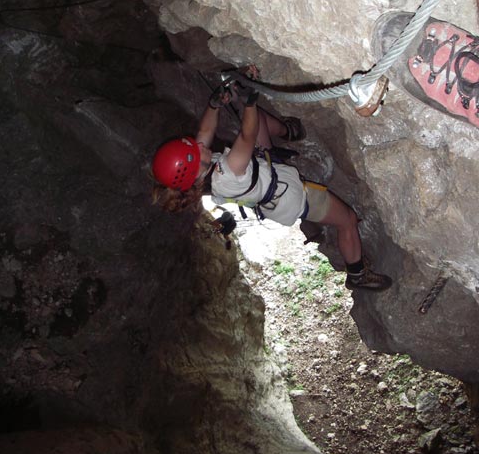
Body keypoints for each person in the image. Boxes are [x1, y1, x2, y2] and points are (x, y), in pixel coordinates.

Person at [152, 68, 392, 291]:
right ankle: (357, 273)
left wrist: (215, 104)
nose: (198, 143)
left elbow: (204, 134)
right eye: (195, 148)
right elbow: (247, 135)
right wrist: (250, 99)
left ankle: (290, 132)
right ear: (194, 169)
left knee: (262, 121)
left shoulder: (201, 172)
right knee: (347, 219)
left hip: (265, 170)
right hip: (289, 196)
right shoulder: (227, 173)